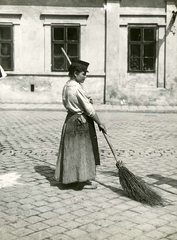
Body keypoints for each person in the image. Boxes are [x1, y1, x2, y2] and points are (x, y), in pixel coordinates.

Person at [54, 59, 106, 189]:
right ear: (76, 73)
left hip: (70, 120)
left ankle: (71, 178)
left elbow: (70, 101)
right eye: (83, 74)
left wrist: (85, 100)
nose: (85, 76)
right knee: (82, 151)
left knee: (72, 151)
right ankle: (81, 181)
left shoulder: (67, 85)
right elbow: (89, 110)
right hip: (80, 123)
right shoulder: (77, 88)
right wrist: (100, 123)